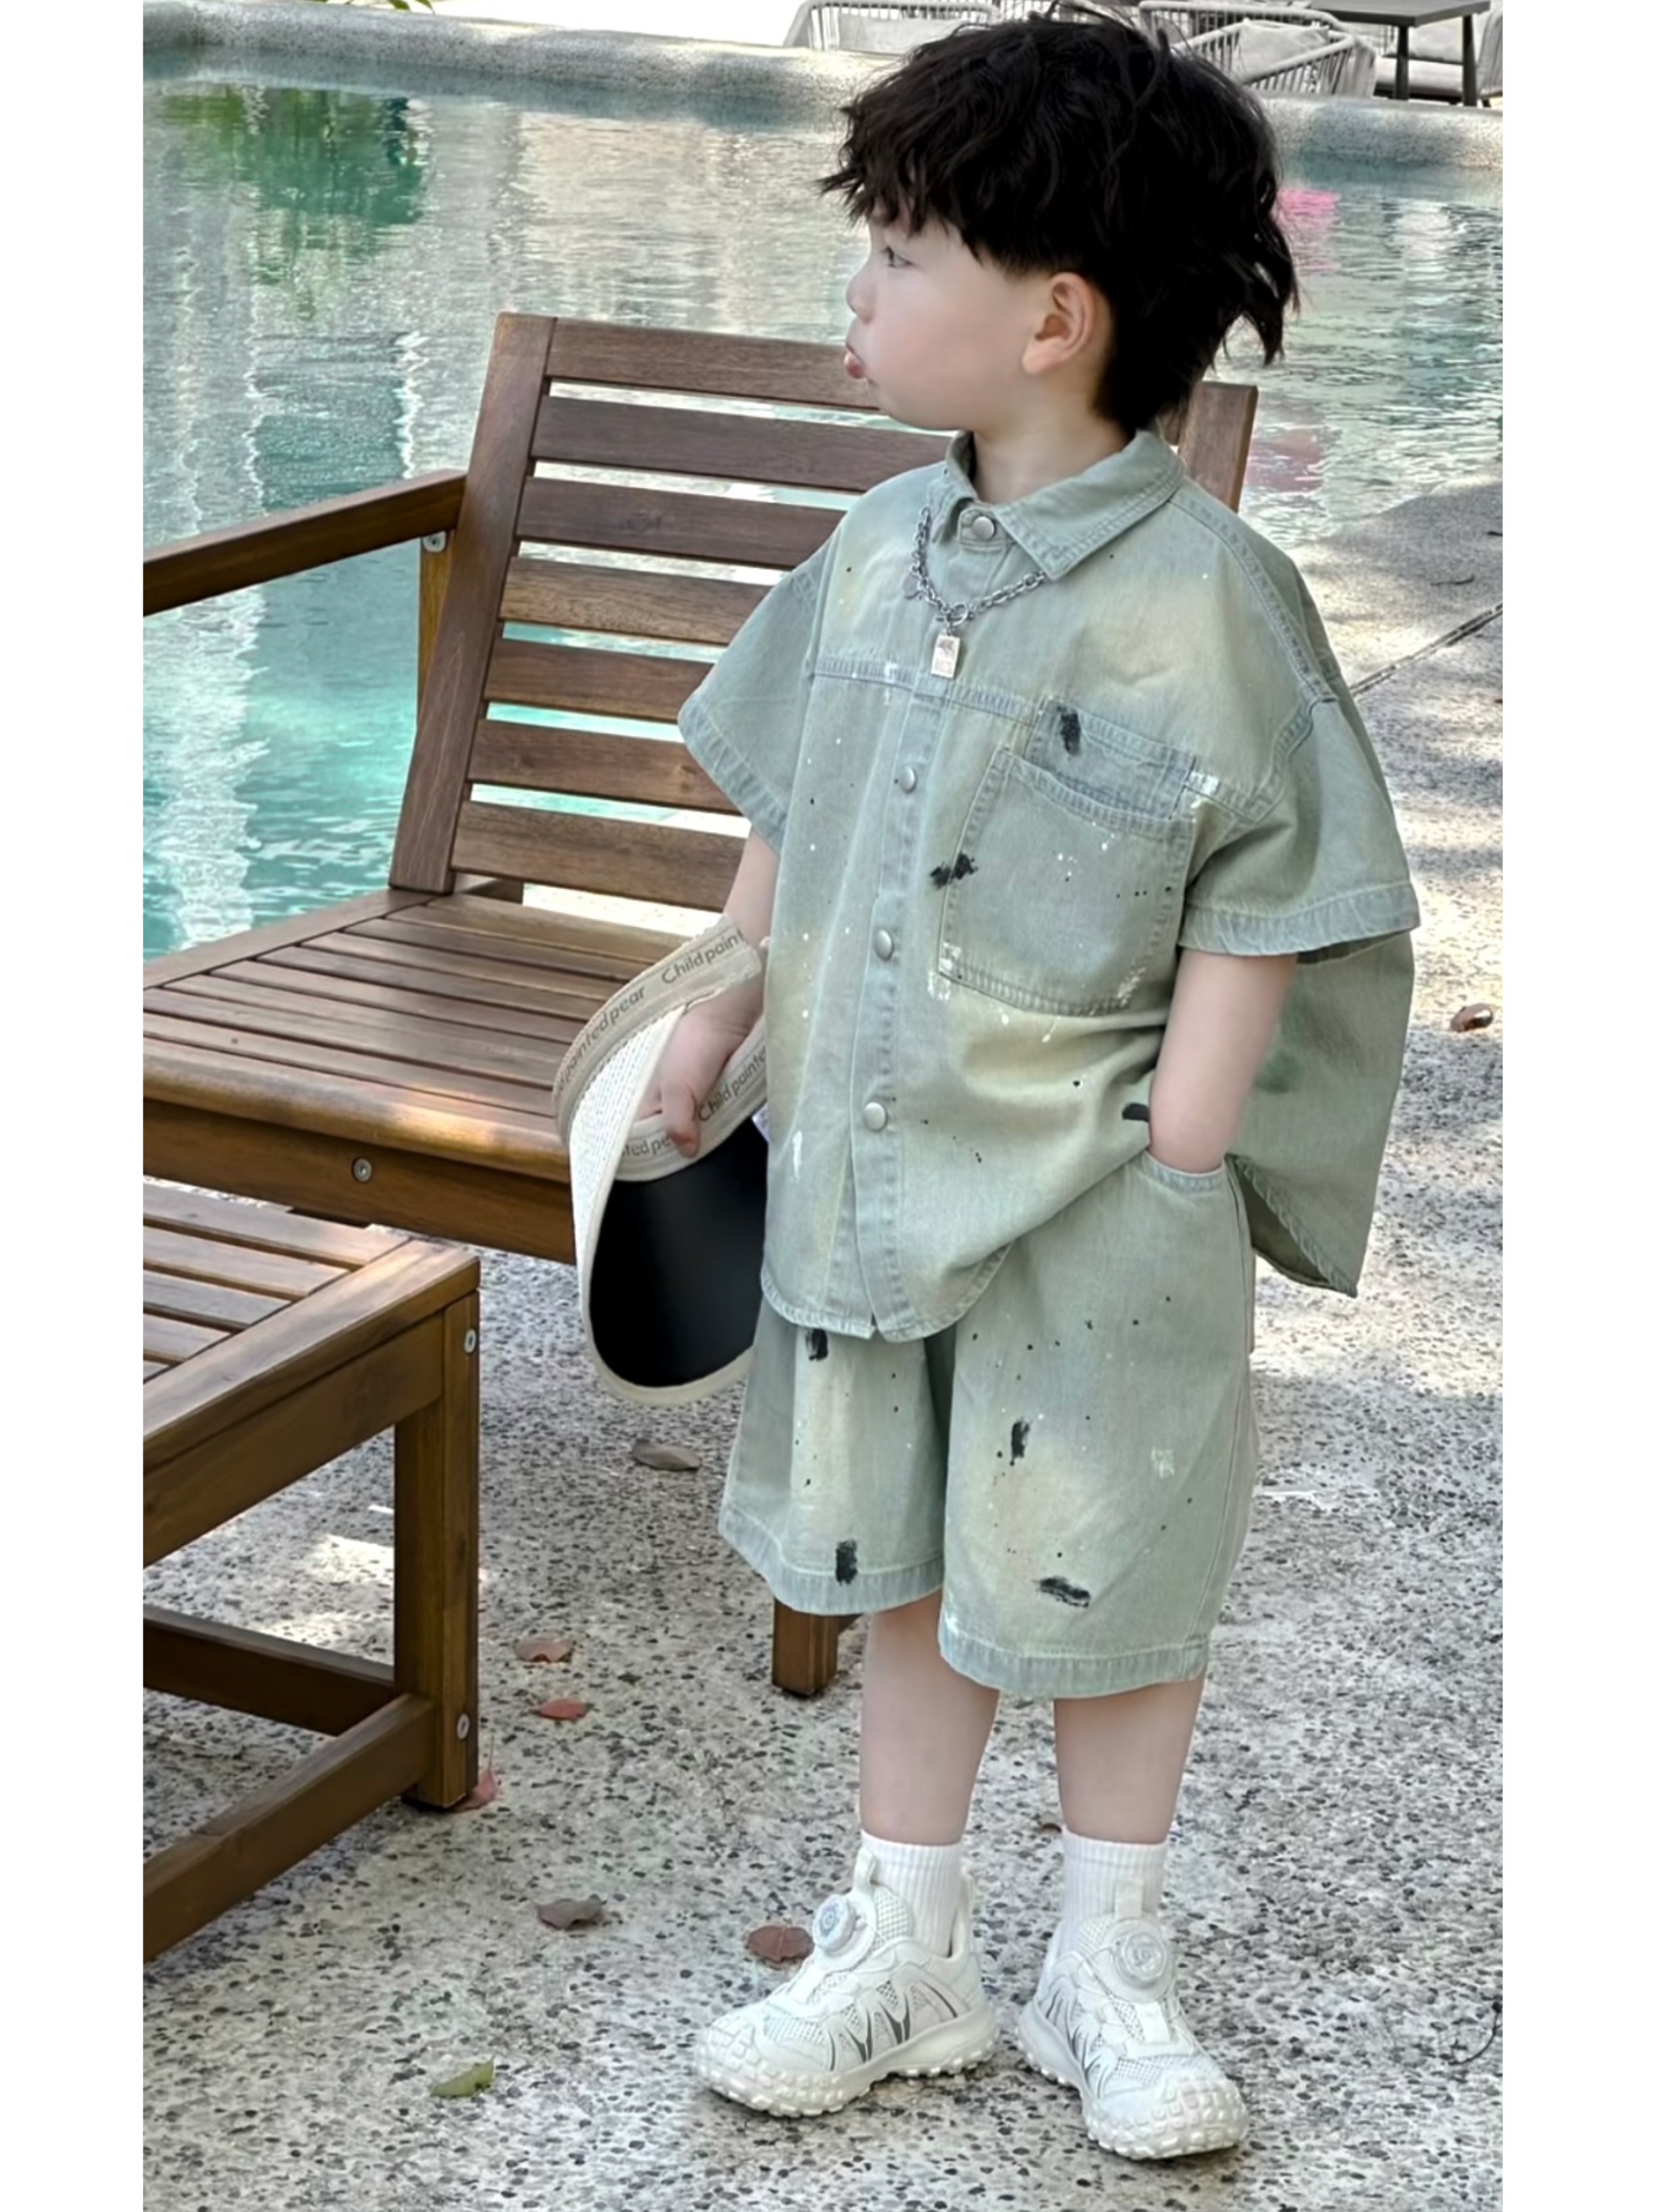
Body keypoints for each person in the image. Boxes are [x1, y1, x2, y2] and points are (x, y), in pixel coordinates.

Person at [643, 5, 1418, 2162]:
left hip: (1098, 1196)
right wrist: (710, 1016)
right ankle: (905, 1940)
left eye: (899, 254)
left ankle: (1109, 1961)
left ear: (1051, 319)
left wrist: (1183, 1145)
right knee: (902, 1552)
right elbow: (786, 798)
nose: (858, 289)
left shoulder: (1213, 601)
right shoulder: (873, 551)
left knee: (1109, 1571)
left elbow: (1271, 884)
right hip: (881, 1173)